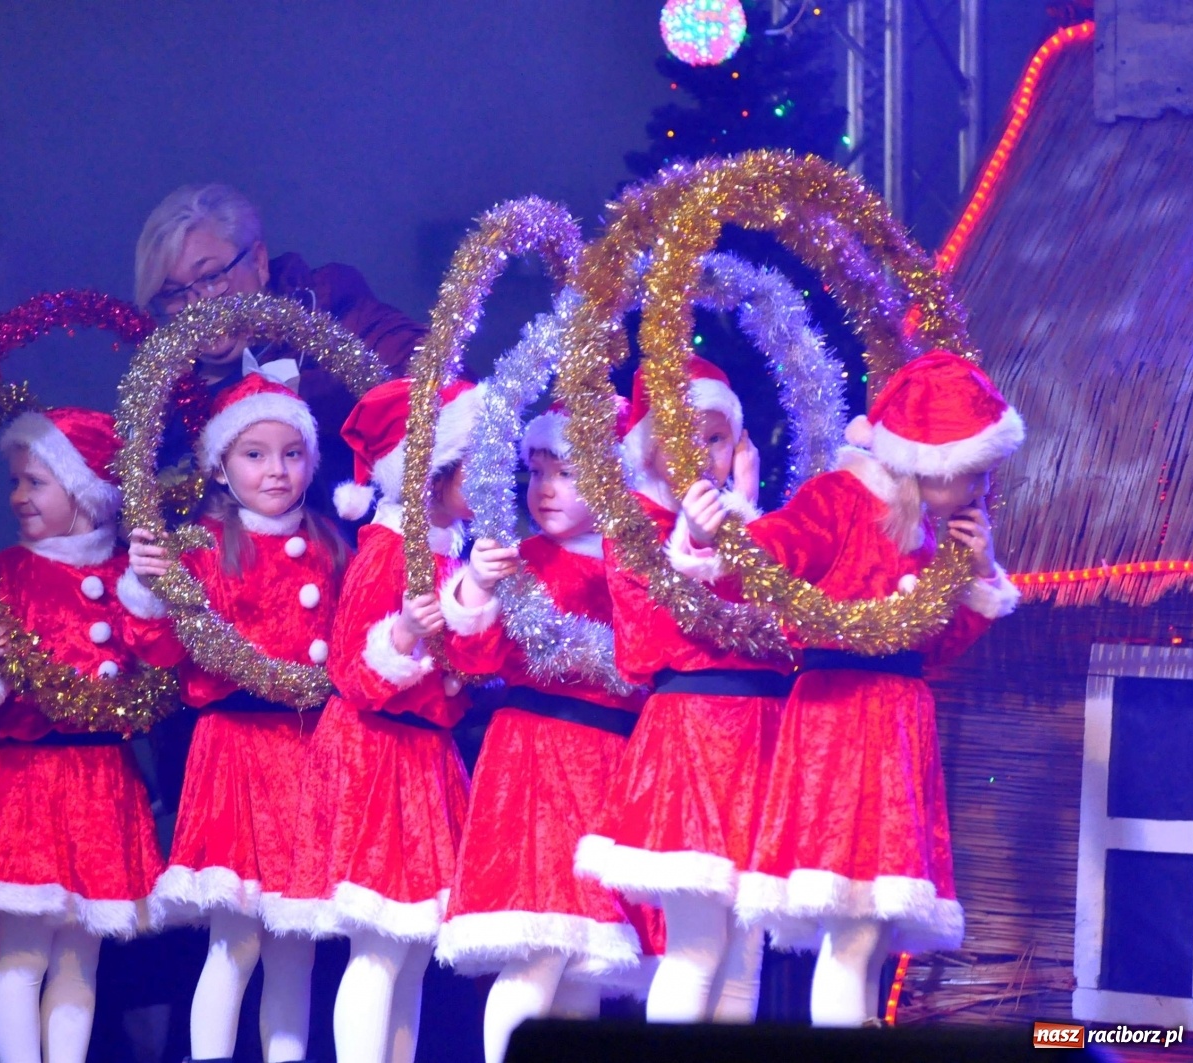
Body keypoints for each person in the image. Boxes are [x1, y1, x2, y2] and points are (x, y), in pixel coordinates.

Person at [675, 350, 1025, 1026]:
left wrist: (979, 572)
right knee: (853, 929)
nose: (985, 486)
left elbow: (938, 649)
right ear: (933, 460)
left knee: (873, 936)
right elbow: (766, 556)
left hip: (899, 726)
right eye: (975, 470)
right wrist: (709, 535)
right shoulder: (840, 499)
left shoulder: (939, 532)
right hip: (841, 724)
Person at [0, 408, 166, 1063]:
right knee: (23, 953)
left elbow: (153, 663)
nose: (18, 497)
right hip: (29, 782)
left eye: (35, 482)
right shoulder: (6, 573)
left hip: (102, 781)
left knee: (79, 958)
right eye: (15, 482)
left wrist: (149, 595)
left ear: (83, 489)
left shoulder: (126, 576)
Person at [117, 374, 345, 1063]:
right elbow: (157, 647)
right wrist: (150, 591)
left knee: (294, 946)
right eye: (254, 454)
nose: (275, 469)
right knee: (235, 939)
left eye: (291, 453)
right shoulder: (203, 548)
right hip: (238, 755)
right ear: (220, 464)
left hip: (310, 752)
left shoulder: (333, 544)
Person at [263, 379, 486, 1063]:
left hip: (421, 758)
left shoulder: (449, 553)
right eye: (478, 458)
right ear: (435, 473)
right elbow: (355, 672)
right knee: (382, 950)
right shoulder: (389, 552)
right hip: (376, 758)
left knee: (410, 953)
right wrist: (407, 639)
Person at [574, 359, 792, 1026]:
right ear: (650, 438)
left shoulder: (755, 528)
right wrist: (693, 544)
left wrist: (745, 517)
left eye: (718, 438)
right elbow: (643, 647)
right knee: (697, 941)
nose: (702, 452)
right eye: (684, 432)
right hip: (695, 734)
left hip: (761, 737)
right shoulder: (634, 521)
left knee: (745, 947)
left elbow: (788, 628)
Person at [434, 400, 652, 1063]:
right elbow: (472, 657)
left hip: (609, 765)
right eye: (538, 471)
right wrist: (473, 585)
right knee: (539, 950)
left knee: (584, 961)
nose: (548, 488)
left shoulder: (636, 562)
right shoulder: (520, 558)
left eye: (570, 471)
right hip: (535, 759)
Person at [133, 183, 427, 493]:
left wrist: (299, 394)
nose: (196, 306)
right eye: (172, 294)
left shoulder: (332, 309)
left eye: (211, 278)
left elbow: (433, 380)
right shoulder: (162, 389)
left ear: (258, 261)